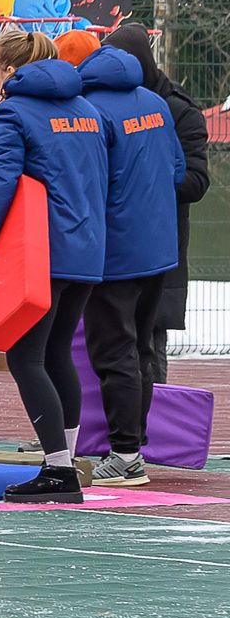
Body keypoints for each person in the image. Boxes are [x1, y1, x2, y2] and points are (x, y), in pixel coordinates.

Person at [0, 29, 110, 503]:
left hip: (43, 253)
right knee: (58, 352)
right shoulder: (88, 111)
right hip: (87, 249)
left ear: (8, 70)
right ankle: (64, 462)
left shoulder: (11, 112)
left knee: (26, 357)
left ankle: (58, 472)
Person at [77, 37, 189, 486]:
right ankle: (132, 449)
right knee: (141, 348)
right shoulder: (155, 103)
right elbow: (178, 170)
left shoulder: (89, 110)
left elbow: (84, 182)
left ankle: (124, 456)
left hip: (115, 253)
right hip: (159, 250)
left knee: (113, 352)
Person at [106, 22, 210, 387]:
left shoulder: (179, 110)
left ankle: (149, 433)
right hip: (116, 245)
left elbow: (196, 181)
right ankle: (108, 430)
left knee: (149, 344)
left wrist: (144, 181)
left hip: (158, 246)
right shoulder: (108, 104)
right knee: (110, 346)